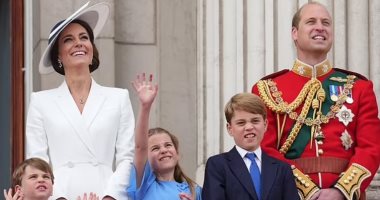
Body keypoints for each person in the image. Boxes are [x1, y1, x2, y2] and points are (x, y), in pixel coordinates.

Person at [251, 2, 380, 200]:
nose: (320, 27)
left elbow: (371, 147)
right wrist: (305, 191)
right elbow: (264, 148)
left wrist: (341, 191)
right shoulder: (267, 89)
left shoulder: (359, 87)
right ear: (295, 33)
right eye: (311, 22)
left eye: (326, 23)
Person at [26, 2, 135, 200]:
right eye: (68, 39)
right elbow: (37, 161)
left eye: (84, 38)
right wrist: (58, 198)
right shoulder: (40, 102)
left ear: (92, 49)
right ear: (58, 55)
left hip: (105, 193)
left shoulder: (118, 98)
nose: (78, 43)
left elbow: (127, 158)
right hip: (60, 195)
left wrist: (111, 196)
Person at [202, 93, 299, 200]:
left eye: (255, 121)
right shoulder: (218, 165)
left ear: (265, 125)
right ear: (230, 129)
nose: (249, 127)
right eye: (241, 123)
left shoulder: (282, 169)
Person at [127, 73, 202, 200]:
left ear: (177, 153)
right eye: (155, 148)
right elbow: (140, 147)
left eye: (168, 145)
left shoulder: (195, 190)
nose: (163, 150)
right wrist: (145, 106)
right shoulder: (145, 185)